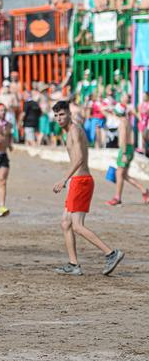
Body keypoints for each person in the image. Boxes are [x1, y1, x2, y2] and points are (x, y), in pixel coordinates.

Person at [51, 101, 125, 276]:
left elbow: (79, 160)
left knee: (76, 225)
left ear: (69, 113)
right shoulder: (67, 132)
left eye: (61, 114)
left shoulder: (74, 131)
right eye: (56, 115)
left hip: (81, 181)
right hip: (77, 181)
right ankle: (73, 264)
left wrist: (64, 179)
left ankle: (111, 253)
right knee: (65, 223)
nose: (59, 118)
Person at [106, 100, 148, 206]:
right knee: (124, 175)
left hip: (125, 150)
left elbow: (123, 139)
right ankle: (144, 190)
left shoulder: (122, 123)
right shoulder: (127, 121)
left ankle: (117, 197)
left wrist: (124, 153)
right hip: (129, 149)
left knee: (119, 173)